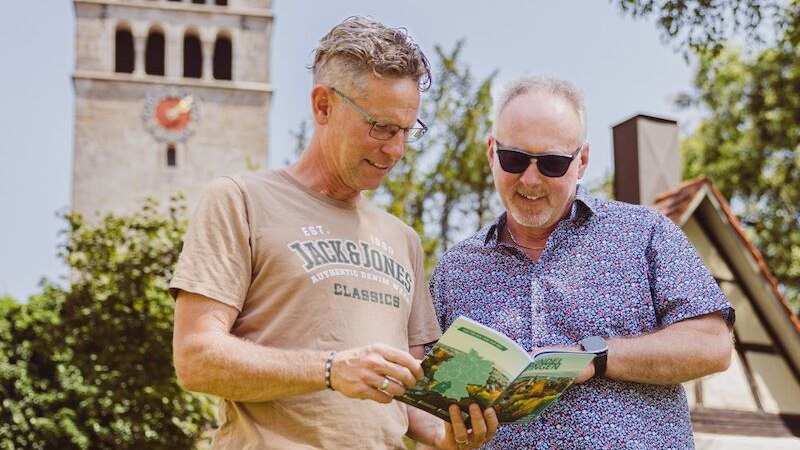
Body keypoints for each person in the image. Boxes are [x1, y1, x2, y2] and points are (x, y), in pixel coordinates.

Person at [170, 16, 497, 450]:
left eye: (406, 132)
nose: (395, 150)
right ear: (323, 105)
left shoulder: (403, 239)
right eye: (380, 127)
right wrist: (330, 370)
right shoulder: (239, 200)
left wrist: (447, 436)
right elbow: (196, 359)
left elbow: (413, 393)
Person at [429, 76, 734, 449]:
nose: (530, 178)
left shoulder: (645, 234)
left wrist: (597, 356)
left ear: (582, 161)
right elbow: (432, 408)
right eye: (514, 158)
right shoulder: (454, 270)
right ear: (491, 152)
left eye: (553, 164)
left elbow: (713, 345)